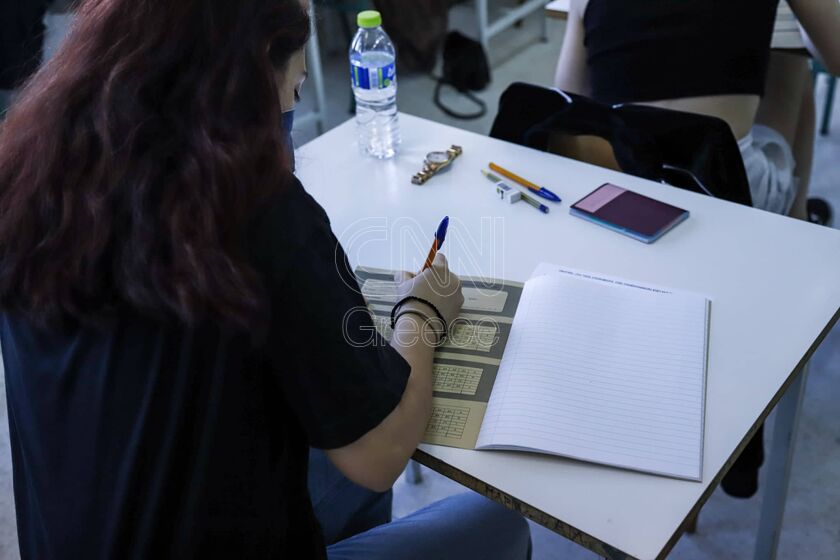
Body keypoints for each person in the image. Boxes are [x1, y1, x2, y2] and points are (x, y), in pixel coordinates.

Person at [0, 1, 531, 558]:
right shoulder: (261, 213)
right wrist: (420, 316)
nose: (289, 117)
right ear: (252, 78)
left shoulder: (35, 174)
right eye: (295, 89)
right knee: (497, 523)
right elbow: (380, 457)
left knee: (331, 450)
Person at [554, 0, 840, 220]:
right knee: (793, 63)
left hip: (621, 181)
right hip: (727, 188)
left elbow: (568, 98)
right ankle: (797, 219)